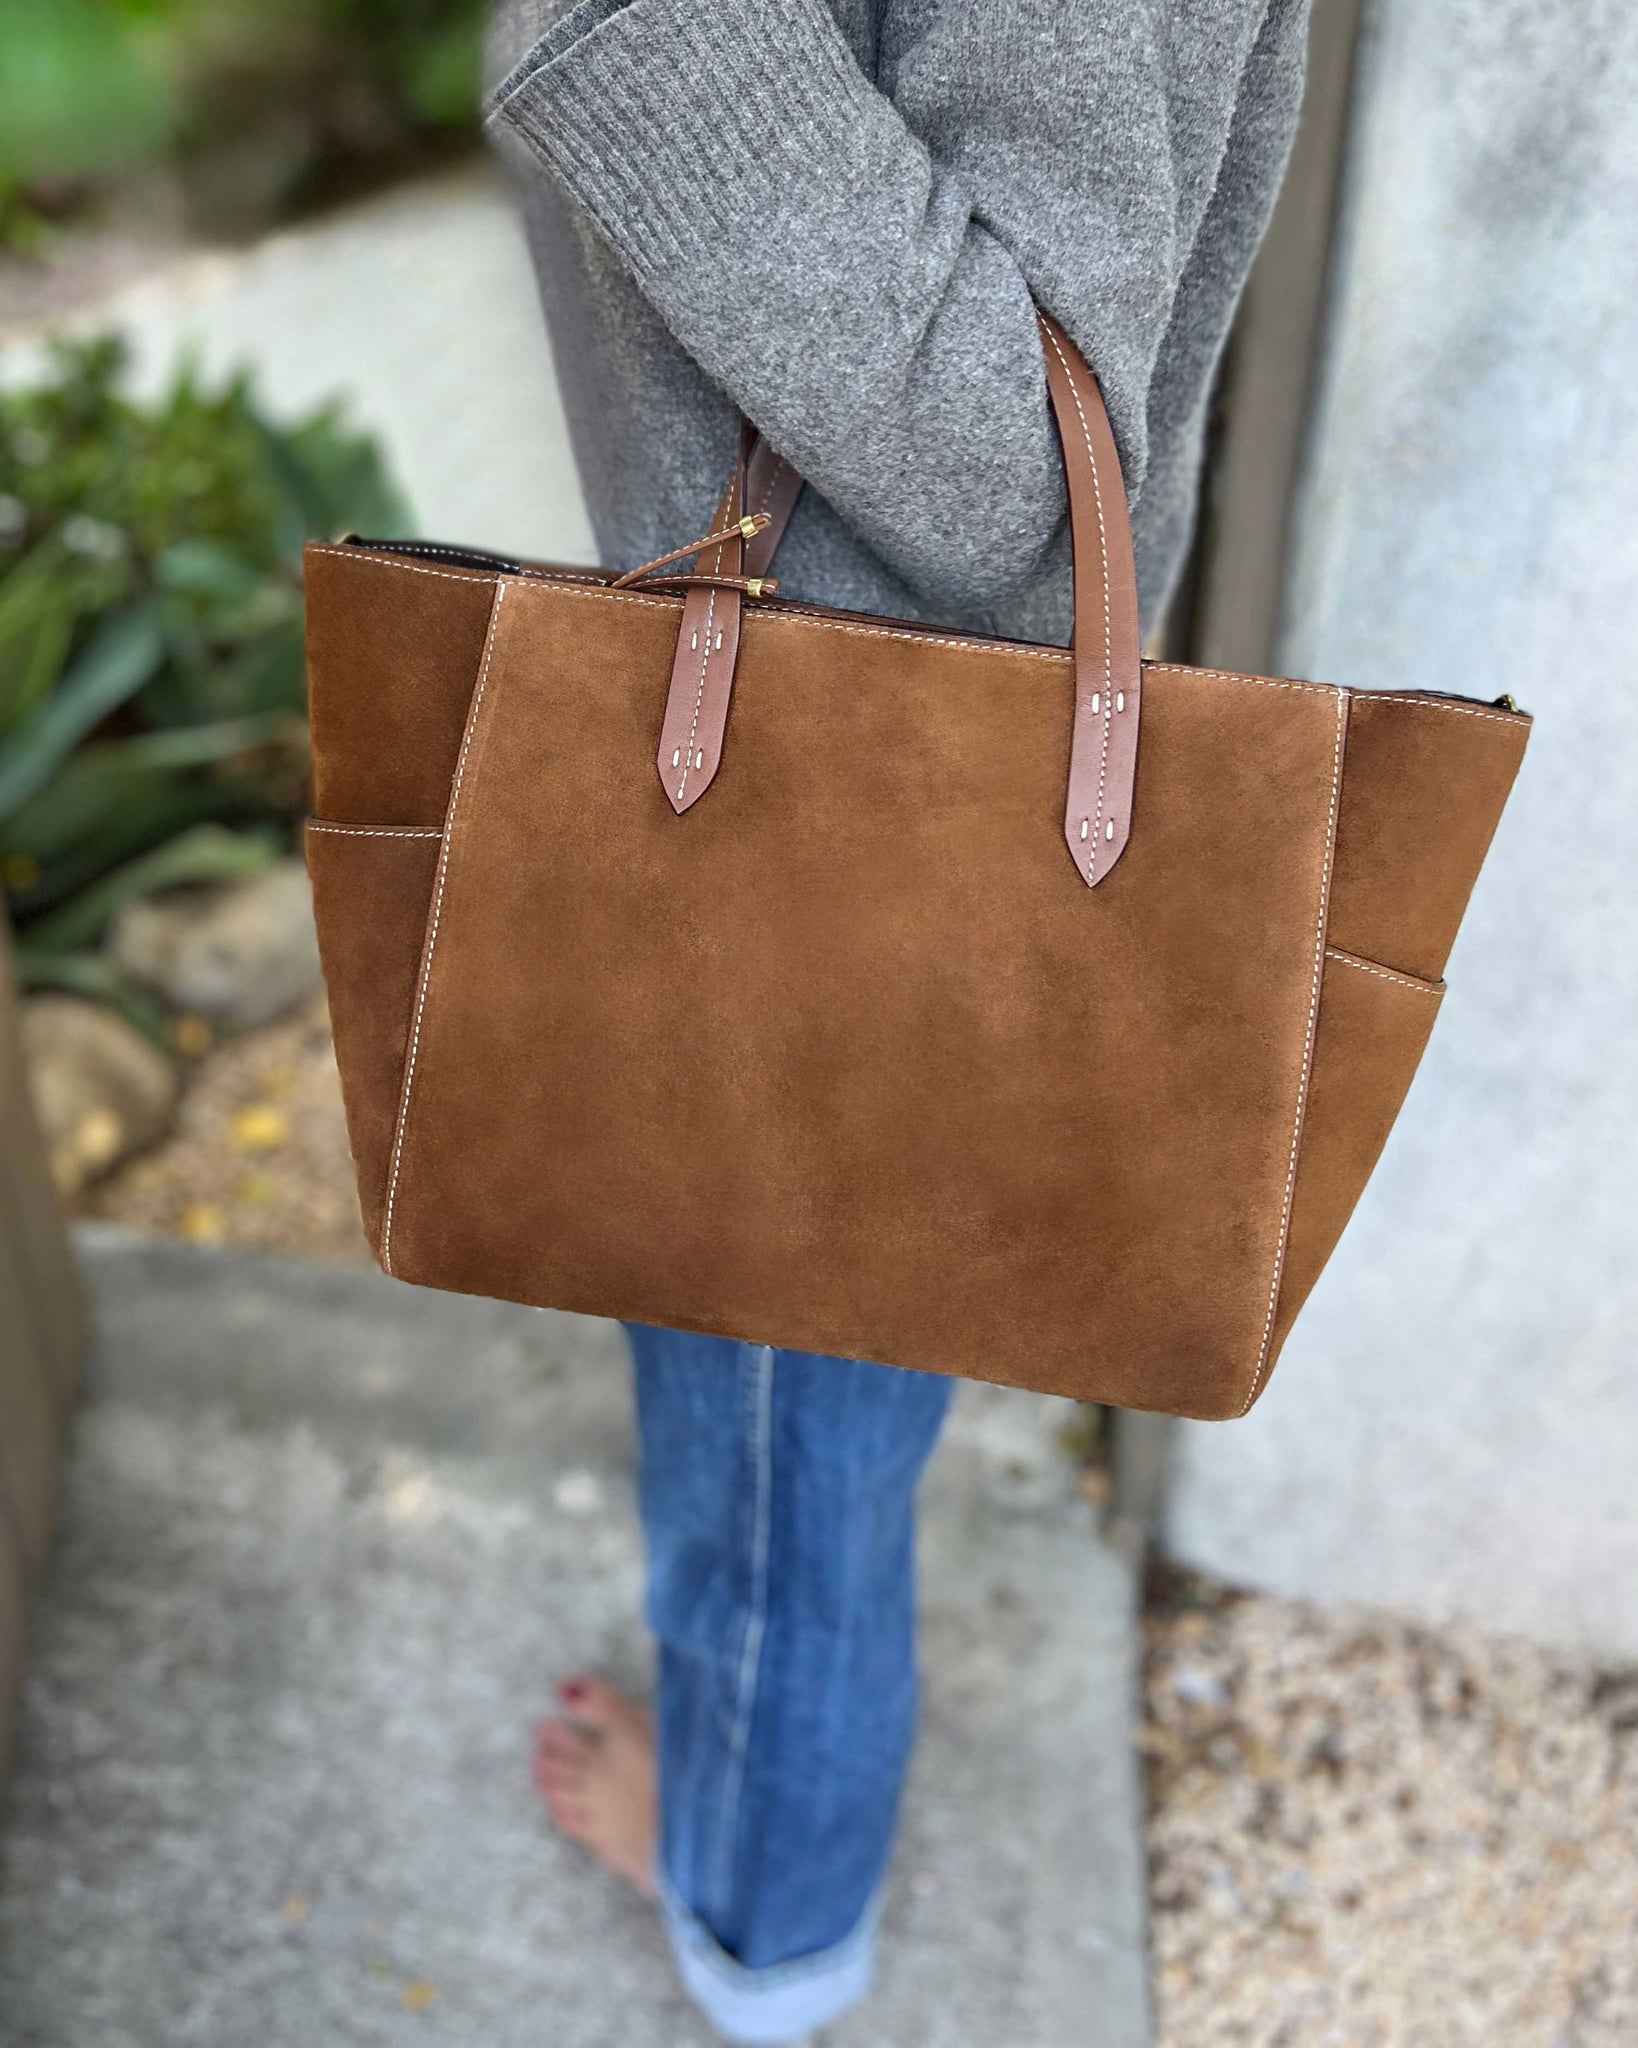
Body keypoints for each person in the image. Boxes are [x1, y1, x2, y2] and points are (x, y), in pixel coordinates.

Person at [484, 2, 1311, 2038]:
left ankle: (764, 1923)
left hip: (840, 857)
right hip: (823, 777)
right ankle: (766, 1813)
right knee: (785, 1432)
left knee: (783, 1471)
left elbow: (1017, 465)